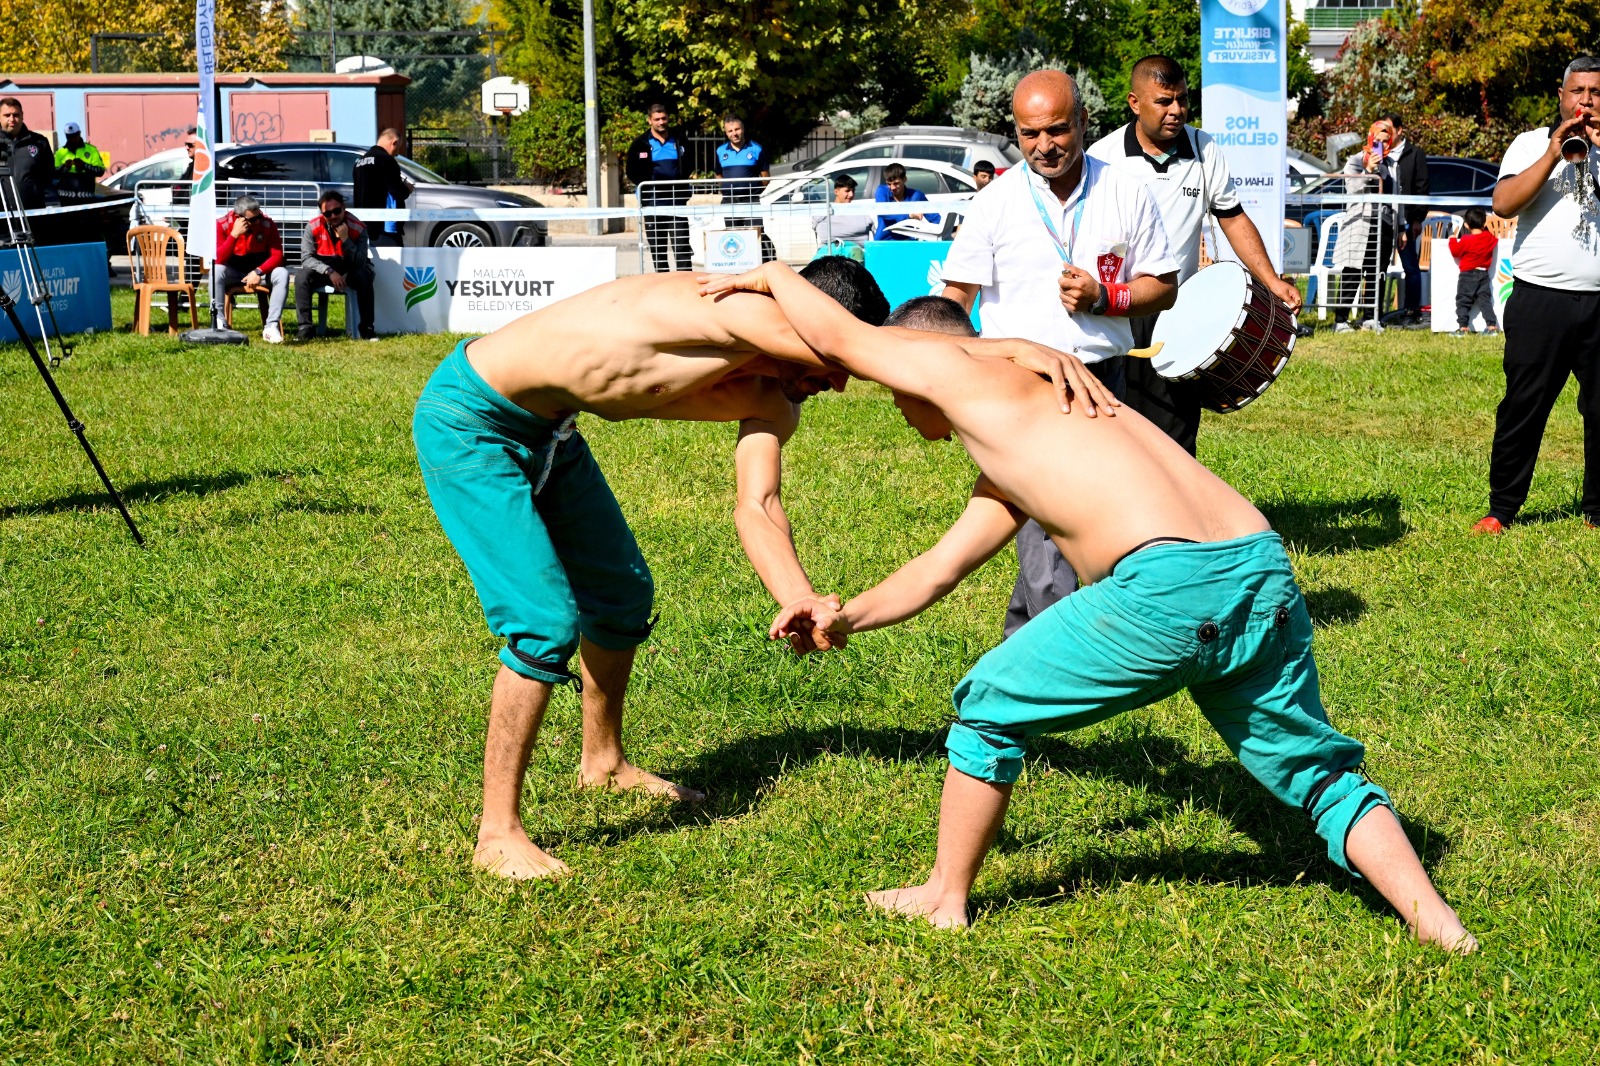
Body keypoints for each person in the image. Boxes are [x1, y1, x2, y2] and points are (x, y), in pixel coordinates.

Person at [706, 264, 1478, 954]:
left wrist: (773, 274)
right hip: (1260, 566)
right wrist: (844, 617)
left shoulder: (952, 371)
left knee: (985, 705)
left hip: (1169, 588)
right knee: (1317, 772)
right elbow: (940, 570)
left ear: (919, 368)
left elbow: (842, 336)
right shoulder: (1033, 409)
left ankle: (943, 898)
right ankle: (1437, 922)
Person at [413, 259, 1113, 881]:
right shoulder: (733, 311)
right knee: (542, 623)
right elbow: (867, 349)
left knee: (621, 597)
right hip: (473, 419)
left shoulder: (771, 392)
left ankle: (604, 763)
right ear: (798, 323)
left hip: (551, 430)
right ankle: (497, 832)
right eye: (827, 364)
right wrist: (1017, 349)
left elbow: (759, 503)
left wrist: (799, 595)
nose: (837, 385)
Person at [938, 68, 1179, 639]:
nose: (1043, 146)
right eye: (1028, 134)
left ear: (1084, 122)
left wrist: (1108, 296)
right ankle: (1053, 664)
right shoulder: (995, 202)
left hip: (1105, 380)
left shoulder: (1126, 189)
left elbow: (1163, 284)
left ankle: (1022, 645)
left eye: (1056, 130)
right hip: (1024, 388)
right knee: (1048, 531)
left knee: (1084, 519)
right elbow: (956, 297)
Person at [1088, 54, 1303, 455]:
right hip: (1119, 308)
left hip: (1177, 311)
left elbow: (1233, 218)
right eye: (1164, 101)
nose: (1177, 111)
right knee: (1119, 428)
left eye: (1183, 100)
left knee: (1176, 430)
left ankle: (1179, 513)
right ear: (1135, 103)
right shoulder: (1103, 157)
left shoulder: (1205, 148)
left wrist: (1272, 281)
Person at [1474, 56, 1600, 535]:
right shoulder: (1530, 142)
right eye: (1578, 91)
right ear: (1562, 94)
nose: (1586, 101)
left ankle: (1597, 511)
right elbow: (1503, 203)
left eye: (1596, 93)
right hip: (1539, 298)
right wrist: (1552, 153)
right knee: (1523, 407)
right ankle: (1501, 509)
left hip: (1598, 300)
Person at [1333, 119, 1397, 333]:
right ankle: (1340, 320)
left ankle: (1371, 318)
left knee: (1377, 273)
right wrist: (1368, 169)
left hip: (1384, 225)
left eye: (1385, 141)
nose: (1381, 144)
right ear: (1370, 137)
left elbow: (1395, 196)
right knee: (1351, 273)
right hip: (1359, 226)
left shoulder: (1390, 164)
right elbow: (1351, 187)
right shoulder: (1355, 160)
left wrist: (1401, 227)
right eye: (1377, 140)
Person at [294, 190, 376, 342]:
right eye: (328, 213)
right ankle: (305, 328)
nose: (333, 216)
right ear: (323, 214)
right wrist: (329, 271)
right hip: (325, 269)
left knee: (364, 275)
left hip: (351, 268)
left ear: (344, 208)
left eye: (337, 211)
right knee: (301, 277)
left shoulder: (359, 228)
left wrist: (346, 240)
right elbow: (306, 258)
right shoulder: (313, 227)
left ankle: (367, 329)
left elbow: (360, 262)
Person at [212, 193, 290, 344]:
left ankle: (271, 327)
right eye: (252, 219)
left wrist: (258, 272)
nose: (257, 221)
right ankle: (220, 323)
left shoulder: (267, 224)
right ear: (238, 217)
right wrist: (234, 235)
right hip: (233, 272)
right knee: (216, 271)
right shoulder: (222, 224)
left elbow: (278, 256)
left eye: (259, 216)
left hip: (260, 271)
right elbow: (219, 259)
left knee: (282, 273)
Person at [625, 103, 693, 273]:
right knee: (658, 250)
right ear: (650, 121)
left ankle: (686, 286)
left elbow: (690, 163)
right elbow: (631, 170)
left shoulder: (679, 139)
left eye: (663, 118)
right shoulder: (640, 143)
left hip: (677, 203)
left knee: (682, 247)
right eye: (657, 119)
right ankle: (663, 287)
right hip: (653, 203)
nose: (661, 122)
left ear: (668, 118)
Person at [1381, 112, 1431, 326]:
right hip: (1384, 221)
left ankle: (1412, 310)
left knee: (1411, 267)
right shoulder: (1379, 153)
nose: (1385, 135)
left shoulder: (1415, 153)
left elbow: (1422, 187)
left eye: (1388, 130)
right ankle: (1374, 313)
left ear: (1399, 131)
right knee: (1379, 267)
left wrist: (1418, 218)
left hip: (1408, 220)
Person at [714, 112, 770, 253]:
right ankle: (738, 273)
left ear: (743, 129)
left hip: (750, 200)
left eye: (737, 129)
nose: (735, 133)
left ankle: (758, 270)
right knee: (733, 237)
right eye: (730, 131)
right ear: (726, 133)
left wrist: (754, 192)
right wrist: (726, 190)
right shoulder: (720, 151)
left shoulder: (757, 149)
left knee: (755, 237)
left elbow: (765, 176)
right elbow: (718, 174)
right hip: (730, 201)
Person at [353, 128, 412, 248]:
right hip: (385, 228)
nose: (397, 153)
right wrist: (407, 188)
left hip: (364, 226)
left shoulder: (359, 162)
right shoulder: (387, 160)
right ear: (393, 143)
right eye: (398, 147)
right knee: (395, 265)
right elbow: (398, 192)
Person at [1448, 206, 1499, 337]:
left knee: (1463, 301)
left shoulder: (1466, 240)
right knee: (1485, 301)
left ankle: (1463, 327)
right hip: (1483, 274)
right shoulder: (1489, 238)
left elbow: (1455, 251)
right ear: (1484, 223)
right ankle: (1491, 326)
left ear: (1466, 225)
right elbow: (1494, 240)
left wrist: (1452, 238)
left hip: (1467, 275)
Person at [0, 97, 56, 211]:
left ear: (22, 116)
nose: (12, 119)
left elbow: (48, 176)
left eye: (16, 115)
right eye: (7, 115)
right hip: (2, 213)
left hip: (32, 211)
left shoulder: (39, 142)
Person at [873, 163, 941, 240]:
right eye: (889, 184)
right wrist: (908, 216)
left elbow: (935, 219)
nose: (892, 187)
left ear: (905, 179)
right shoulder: (882, 191)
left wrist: (935, 233)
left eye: (896, 183)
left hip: (908, 243)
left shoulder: (917, 195)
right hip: (884, 242)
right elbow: (883, 212)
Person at [813, 174, 873, 248]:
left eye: (853, 191)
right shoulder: (823, 212)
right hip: (830, 255)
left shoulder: (861, 212)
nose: (851, 194)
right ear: (836, 192)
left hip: (858, 254)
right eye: (847, 191)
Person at [52, 121, 107, 198]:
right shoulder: (60, 153)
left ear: (79, 133)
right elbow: (53, 174)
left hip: (86, 197)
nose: (72, 139)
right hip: (66, 198)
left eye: (75, 136)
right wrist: (64, 167)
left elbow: (100, 171)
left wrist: (84, 166)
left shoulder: (91, 150)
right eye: (69, 137)